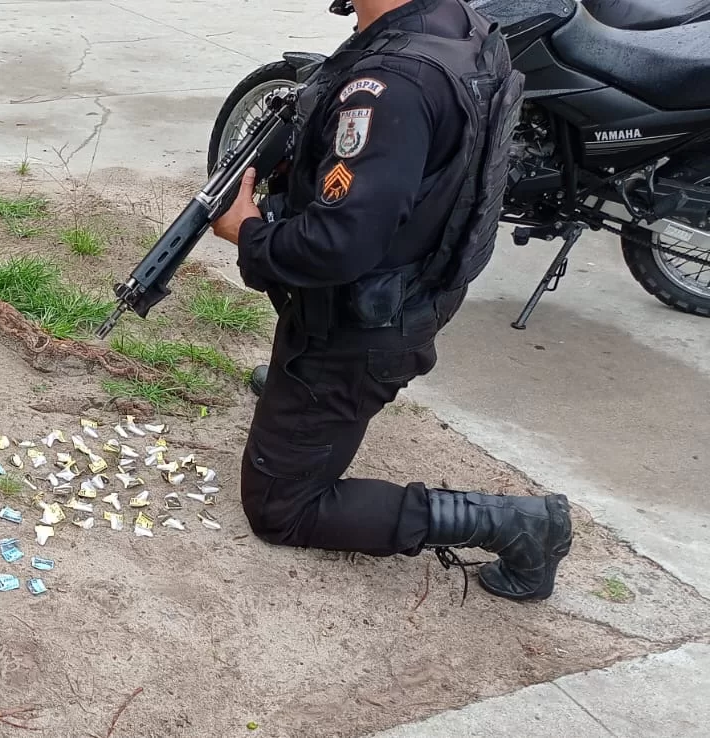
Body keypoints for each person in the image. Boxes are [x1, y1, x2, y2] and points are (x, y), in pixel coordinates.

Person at [208, 0, 572, 601]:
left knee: (280, 508)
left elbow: (336, 245)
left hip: (365, 324)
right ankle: (305, 389)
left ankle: (522, 526)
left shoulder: (392, 84)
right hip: (410, 290)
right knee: (304, 384)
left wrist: (247, 230)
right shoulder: (455, 24)